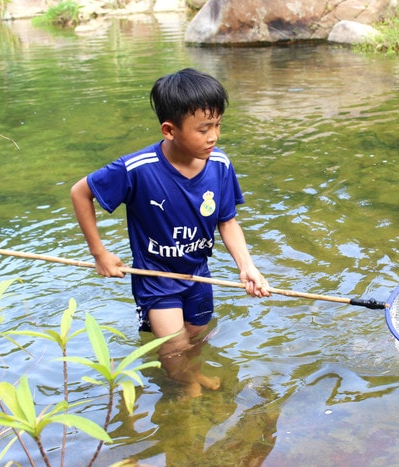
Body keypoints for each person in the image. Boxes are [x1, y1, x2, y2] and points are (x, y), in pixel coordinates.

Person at [70, 68, 270, 396]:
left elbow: (227, 221)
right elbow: (81, 192)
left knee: (196, 335)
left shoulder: (220, 165)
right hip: (155, 277)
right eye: (204, 129)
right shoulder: (136, 169)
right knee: (174, 347)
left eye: (218, 125)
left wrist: (247, 267)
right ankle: (186, 387)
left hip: (198, 275)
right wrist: (100, 253)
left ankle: (190, 374)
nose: (214, 136)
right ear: (170, 130)